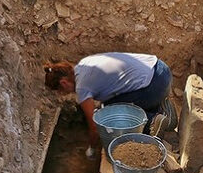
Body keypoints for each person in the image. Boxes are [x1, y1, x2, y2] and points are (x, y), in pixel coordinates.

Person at [43, 52, 177, 157]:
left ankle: (152, 122)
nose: (64, 94)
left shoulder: (82, 88)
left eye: (61, 92)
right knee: (110, 102)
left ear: (63, 83)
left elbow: (95, 127)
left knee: (109, 115)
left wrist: (92, 148)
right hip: (161, 69)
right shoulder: (84, 64)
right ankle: (161, 110)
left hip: (154, 86)